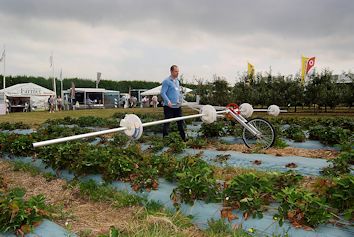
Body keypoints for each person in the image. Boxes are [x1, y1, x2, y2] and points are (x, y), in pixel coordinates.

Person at [160, 65, 186, 141]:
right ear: (171, 71)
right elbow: (163, 93)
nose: (177, 73)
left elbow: (178, 92)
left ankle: (183, 139)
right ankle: (165, 140)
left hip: (177, 106)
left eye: (178, 71)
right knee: (167, 123)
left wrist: (180, 100)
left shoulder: (177, 81)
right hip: (169, 107)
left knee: (180, 123)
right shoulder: (166, 81)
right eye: (176, 71)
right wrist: (168, 101)